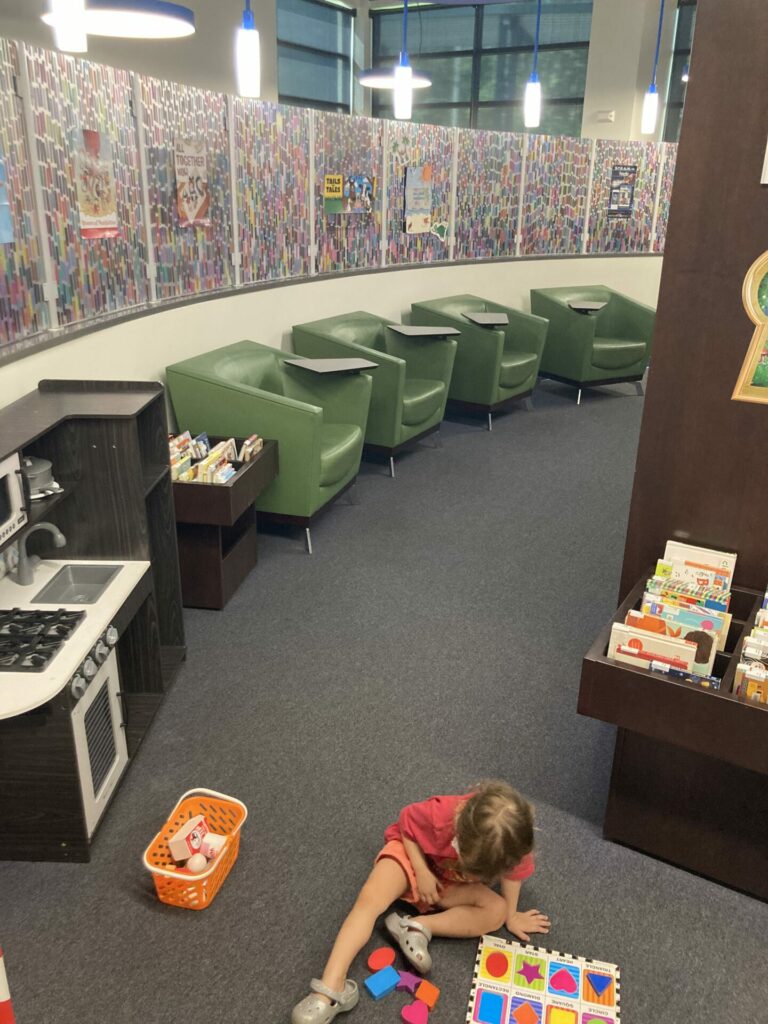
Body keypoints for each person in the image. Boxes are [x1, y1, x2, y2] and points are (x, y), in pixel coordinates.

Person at [292, 780, 550, 1023]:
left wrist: (512, 915)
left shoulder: (514, 843)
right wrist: (422, 870)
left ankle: (416, 926)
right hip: (411, 857)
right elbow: (406, 825)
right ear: (459, 829)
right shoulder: (441, 813)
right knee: (369, 902)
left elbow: (514, 876)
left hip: (447, 883)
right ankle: (329, 991)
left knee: (497, 910)